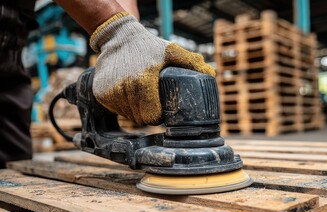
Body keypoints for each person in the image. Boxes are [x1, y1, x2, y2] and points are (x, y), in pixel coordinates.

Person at [0, 0, 215, 168]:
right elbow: (116, 28)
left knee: (13, 165)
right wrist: (116, 31)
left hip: (11, 50)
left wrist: (133, 35)